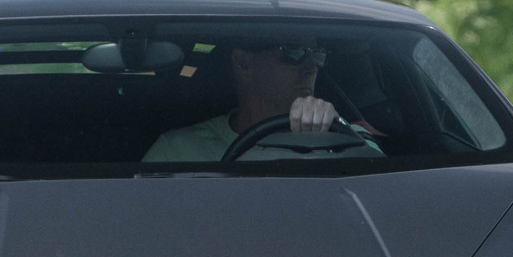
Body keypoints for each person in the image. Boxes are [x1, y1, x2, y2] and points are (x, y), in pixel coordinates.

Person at [142, 41, 382, 162]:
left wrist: (335, 135)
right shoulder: (178, 150)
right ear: (243, 64)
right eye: (293, 52)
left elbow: (388, 189)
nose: (311, 68)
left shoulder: (344, 136)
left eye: (317, 54)